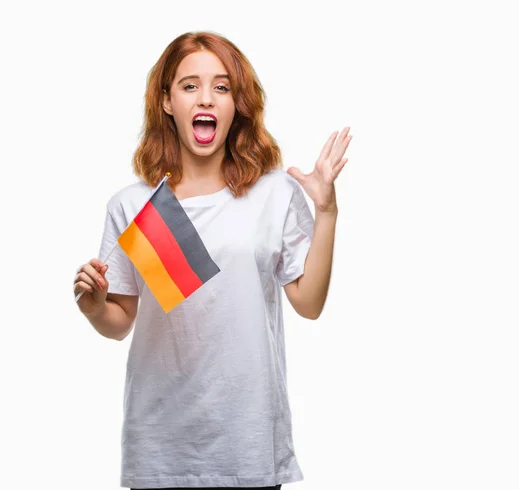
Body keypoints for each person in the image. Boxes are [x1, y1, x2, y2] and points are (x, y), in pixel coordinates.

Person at [73, 31, 351, 490]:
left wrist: (327, 212)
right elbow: (119, 320)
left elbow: (309, 303)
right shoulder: (134, 205)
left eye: (221, 87)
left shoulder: (274, 193)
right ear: (167, 102)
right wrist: (94, 306)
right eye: (189, 86)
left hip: (250, 445)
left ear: (236, 104)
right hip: (161, 447)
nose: (206, 98)